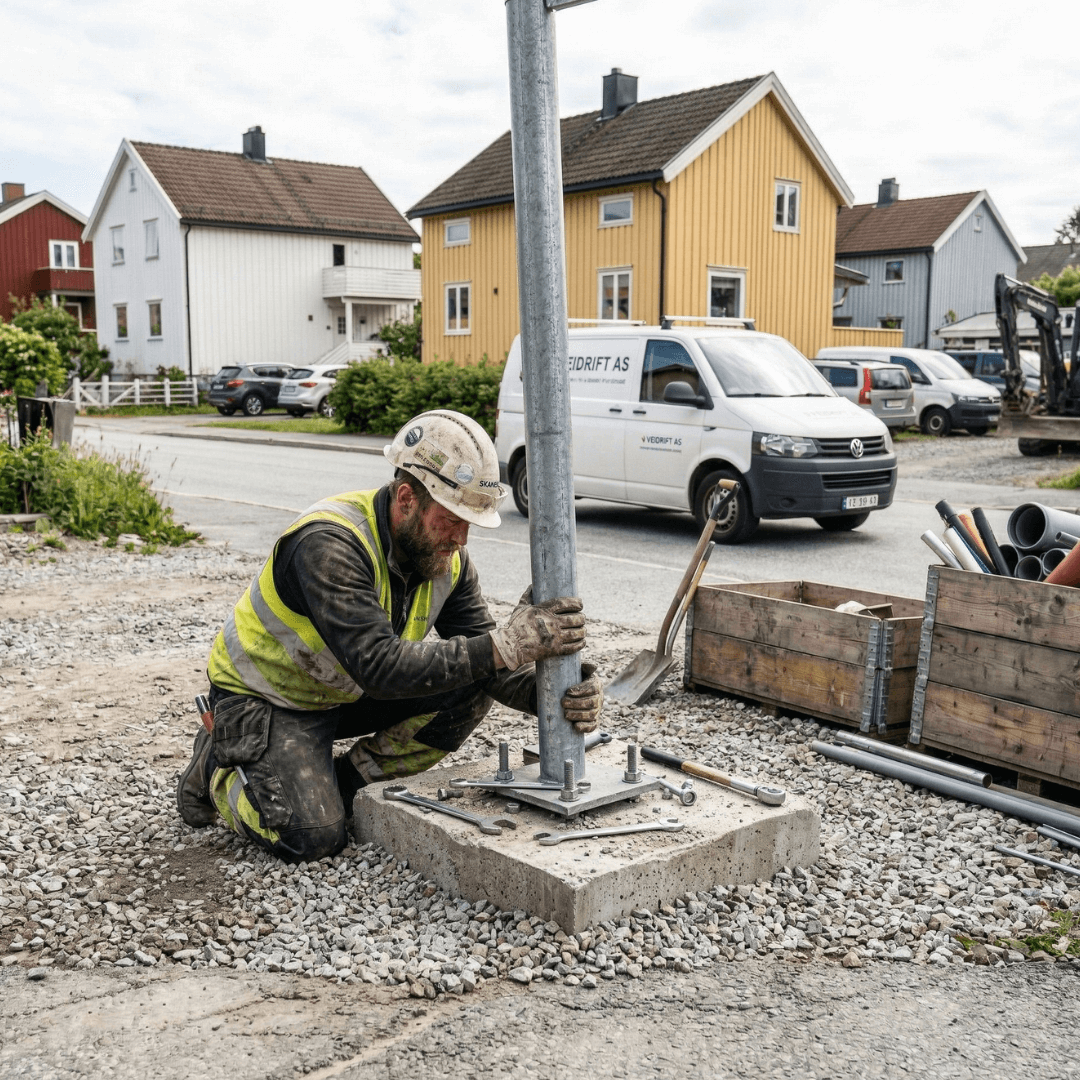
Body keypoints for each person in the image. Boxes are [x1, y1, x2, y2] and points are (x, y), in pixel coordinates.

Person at [176, 409, 601, 862]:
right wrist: (506, 646)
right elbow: (379, 666)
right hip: (269, 699)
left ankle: (342, 785)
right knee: (313, 838)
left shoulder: (446, 559)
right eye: (452, 519)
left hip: (343, 693)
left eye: (470, 523)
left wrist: (553, 692)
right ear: (405, 498)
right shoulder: (329, 544)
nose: (461, 538)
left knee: (470, 683)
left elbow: (486, 664)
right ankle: (221, 761)